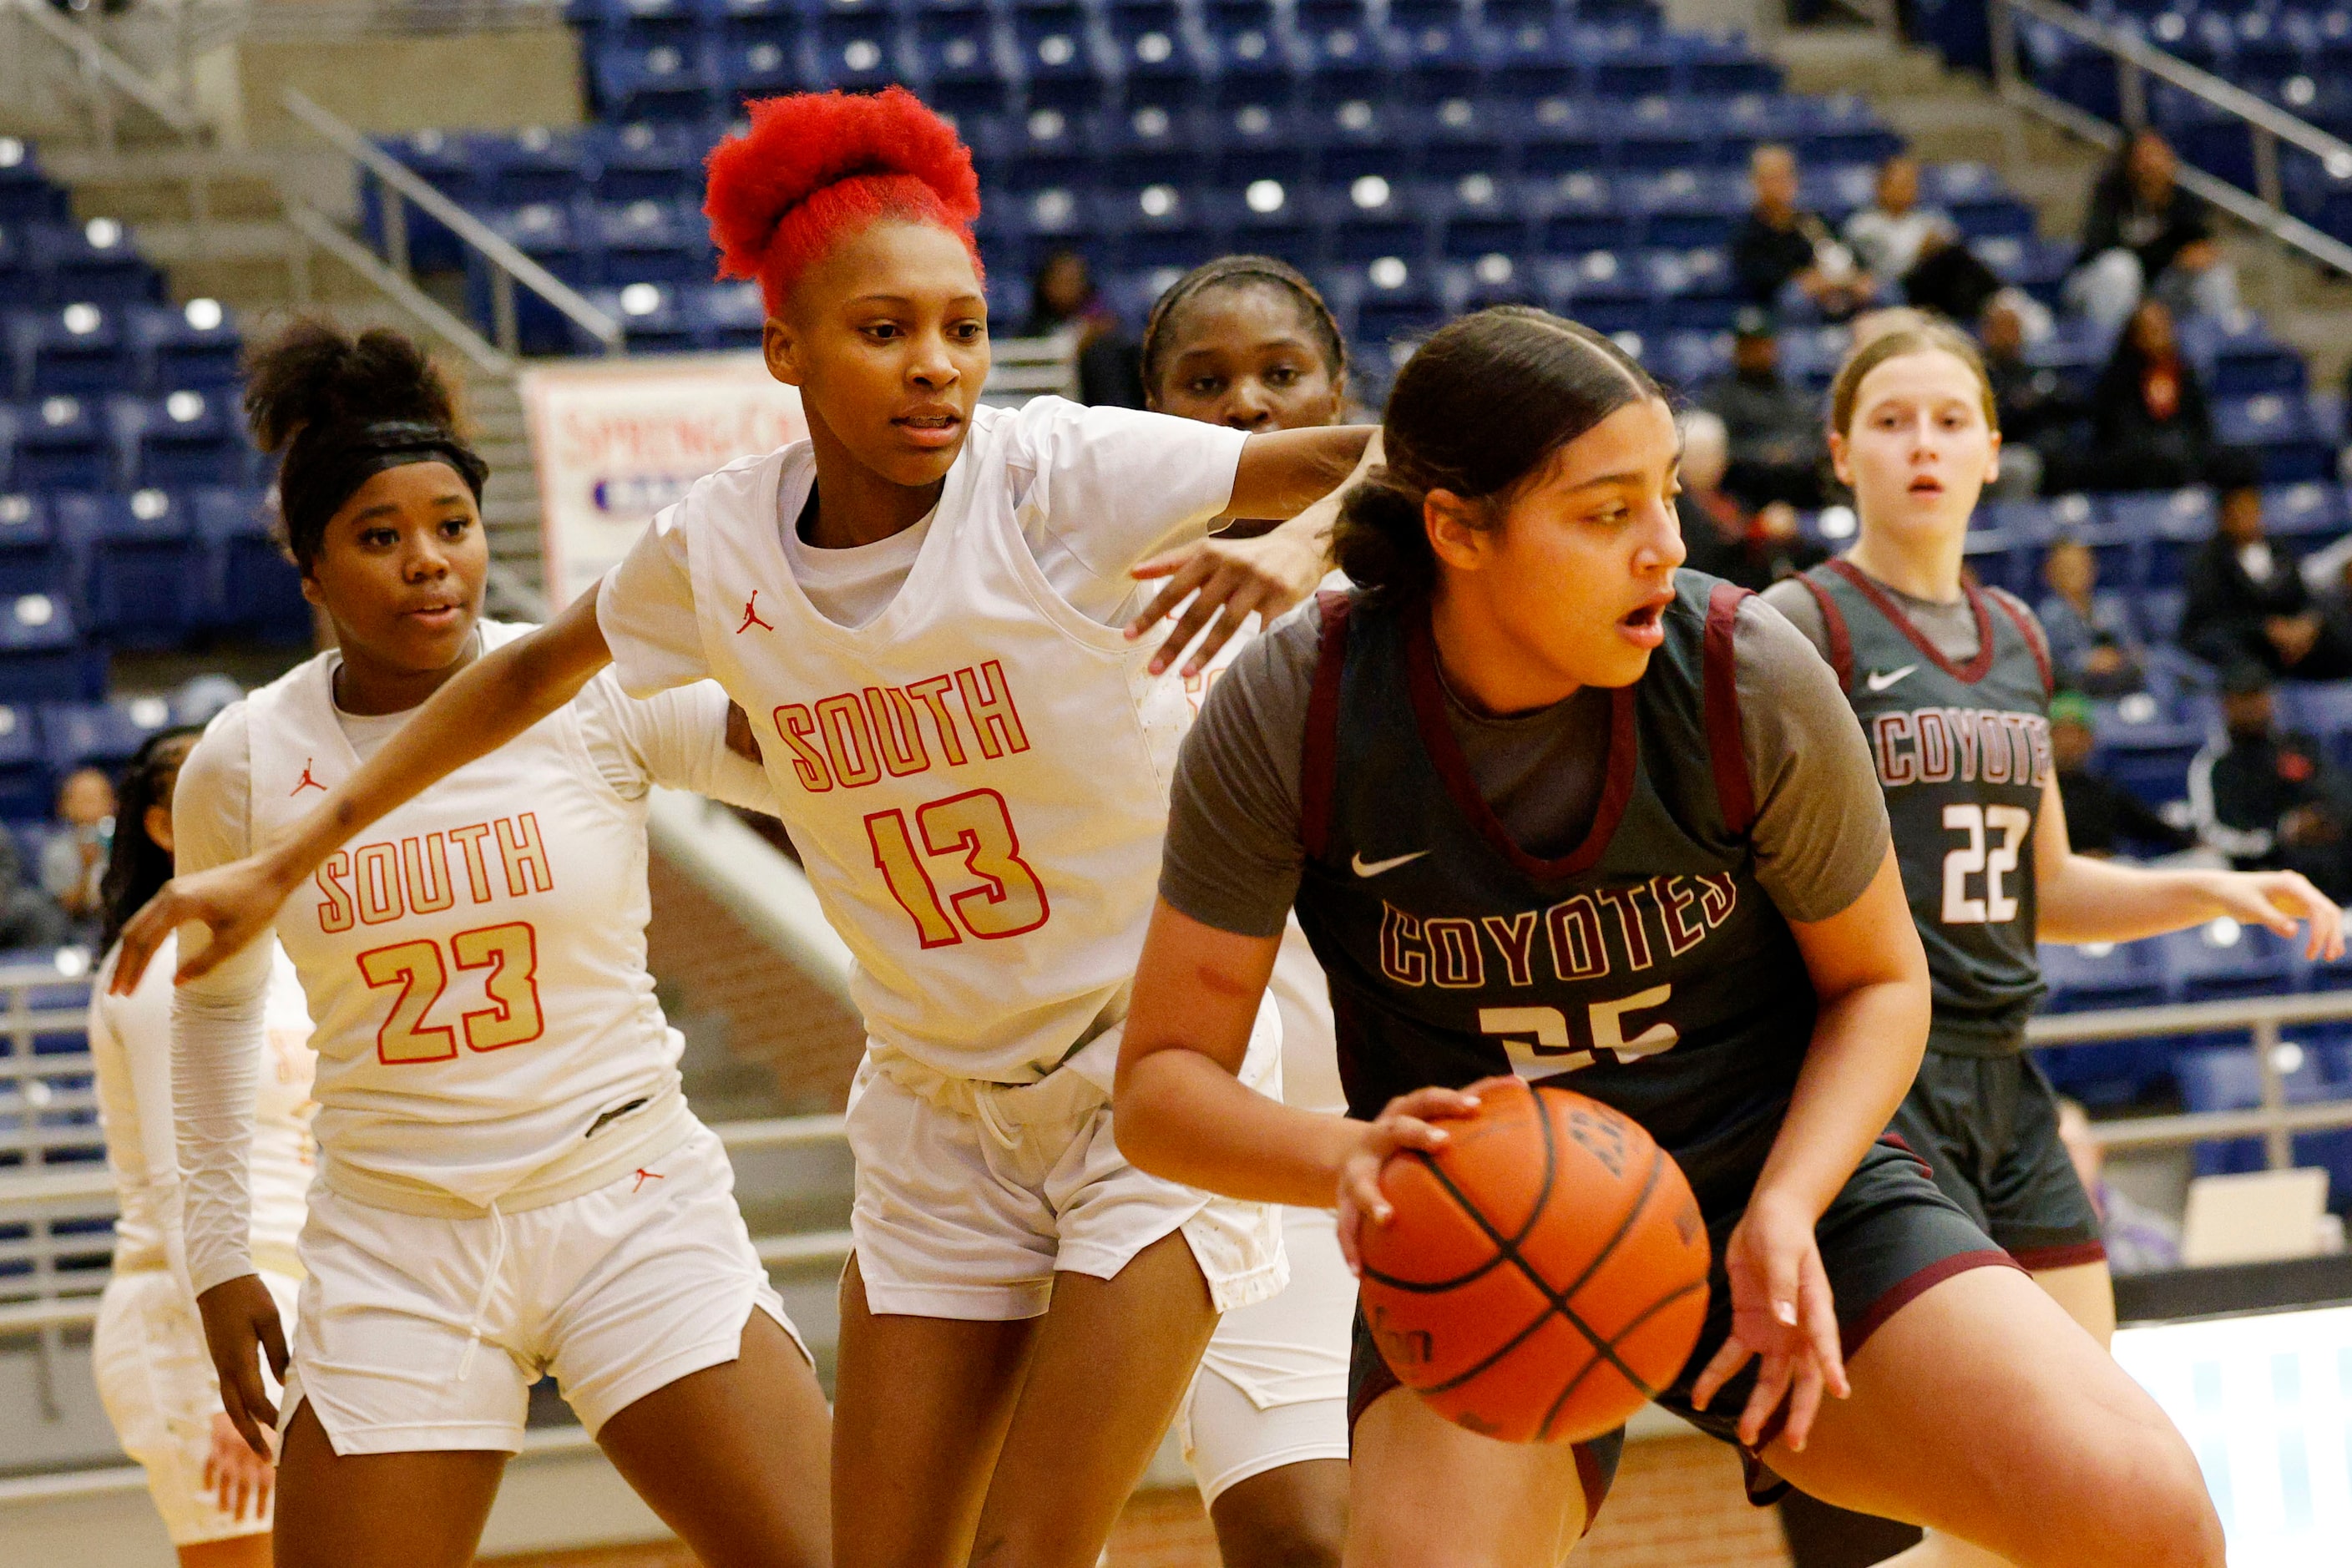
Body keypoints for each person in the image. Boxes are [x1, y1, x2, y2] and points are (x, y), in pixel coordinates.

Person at [119, 89, 1378, 1568]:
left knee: (1035, 1549)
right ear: (784, 349)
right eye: (885, 329)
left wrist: (1296, 541)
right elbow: (531, 672)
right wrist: (287, 855)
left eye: (964, 326)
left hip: (1127, 1075)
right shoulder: (713, 545)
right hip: (928, 1103)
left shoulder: (1052, 469)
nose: (938, 367)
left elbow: (1409, 442)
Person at [1116, 306, 2227, 1568]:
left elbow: (1878, 981)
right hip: (1491, 1228)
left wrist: (1792, 1206)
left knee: (2145, 1509)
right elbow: (1161, 1085)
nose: (1664, 546)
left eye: (1664, 496)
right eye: (1605, 513)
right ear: (1456, 530)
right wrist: (1354, 1156)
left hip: (1773, 1182)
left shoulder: (1743, 667)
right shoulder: (1294, 709)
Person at [151, 320, 835, 1568]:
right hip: (396, 1236)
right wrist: (216, 1250)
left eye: (451, 527)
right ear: (309, 570)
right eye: (378, 536)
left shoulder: (590, 683)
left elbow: (824, 769)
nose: (427, 564)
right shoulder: (242, 762)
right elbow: (213, 1005)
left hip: (627, 1199)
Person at [1763, 321, 2339, 1564]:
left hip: (2011, 1086)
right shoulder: (1793, 626)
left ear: (1991, 451)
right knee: (1981, 1496)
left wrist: (2216, 895)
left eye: (1949, 420)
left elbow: (2050, 884)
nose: (1923, 443)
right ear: (1838, 452)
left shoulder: (2021, 636)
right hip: (1876, 1086)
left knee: (2088, 1489)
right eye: (1892, 420)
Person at [1139, 252, 1355, 1568]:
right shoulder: (1086, 592)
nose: (1246, 408)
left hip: (1435, 1120)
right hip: (1232, 1159)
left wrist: (1306, 539)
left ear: (1341, 391)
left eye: (1283, 377)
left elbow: (1541, 429)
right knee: (1297, 1538)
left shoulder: (1430, 587)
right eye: (1204, 383)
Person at [89, 728, 316, 1567]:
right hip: (200, 1331)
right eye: (214, 787)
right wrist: (225, 1385)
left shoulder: (286, 949)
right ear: (160, 828)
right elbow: (187, 1178)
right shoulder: (154, 968)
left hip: (294, 1308)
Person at [2186, 664, 2352, 901]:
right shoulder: (2214, 764)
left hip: (2331, 854)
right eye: (2244, 699)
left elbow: (2338, 789)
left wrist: (2327, 817)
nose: (2254, 707)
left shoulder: (2298, 746)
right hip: (2266, 867)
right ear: (2227, 704)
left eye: (2259, 696)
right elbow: (2214, 832)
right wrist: (2282, 831)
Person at [2066, 128, 2240, 331]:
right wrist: (2170, 254)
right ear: (2130, 162)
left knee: (2214, 272)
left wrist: (2195, 254)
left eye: (2159, 156)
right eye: (2145, 157)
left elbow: (2198, 244)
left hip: (2157, 287)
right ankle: (2109, 348)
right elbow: (2102, 246)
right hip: (2096, 284)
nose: (2152, 165)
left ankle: (2222, 341)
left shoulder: (2182, 197)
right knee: (2120, 267)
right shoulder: (2111, 192)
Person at [2180, 481, 2352, 680]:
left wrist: (2306, 624)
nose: (2250, 517)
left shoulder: (2279, 548)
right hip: (2238, 637)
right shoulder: (2207, 560)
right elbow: (2213, 615)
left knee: (2336, 631)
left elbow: (2301, 595)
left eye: (2254, 509)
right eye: (2241, 510)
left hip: (2287, 638)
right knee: (2240, 662)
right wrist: (2265, 628)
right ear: (2224, 517)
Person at [1676, 408, 1824, 592]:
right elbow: (1711, 554)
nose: (1709, 462)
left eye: (1715, 453)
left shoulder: (1731, 496)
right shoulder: (1676, 506)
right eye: (1698, 455)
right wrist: (1761, 528)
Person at [2078, 298, 2217, 494]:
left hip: (2182, 456)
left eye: (2163, 328)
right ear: (2134, 335)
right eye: (2151, 330)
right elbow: (2115, 433)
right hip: (2134, 463)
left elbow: (2201, 426)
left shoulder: (2184, 373)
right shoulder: (2117, 376)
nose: (2160, 336)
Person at [1697, 308, 1828, 510]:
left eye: (1760, 344)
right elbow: (1713, 455)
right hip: (1739, 504)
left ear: (1774, 345)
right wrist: (1764, 454)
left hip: (1800, 501)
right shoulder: (1717, 399)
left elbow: (1813, 445)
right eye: (1747, 345)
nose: (1754, 351)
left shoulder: (1797, 396)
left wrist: (1786, 454)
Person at [1734, 144, 1875, 320]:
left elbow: (1845, 253)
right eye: (1770, 178)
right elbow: (1759, 280)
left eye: (1784, 176)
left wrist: (1852, 278)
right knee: (1795, 299)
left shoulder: (1812, 222)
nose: (1778, 185)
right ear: (1756, 182)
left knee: (1883, 291)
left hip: (1835, 286)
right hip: (1780, 308)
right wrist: (1806, 281)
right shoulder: (1747, 231)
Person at [2048, 694, 2193, 858]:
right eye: (2062, 733)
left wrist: (2193, 844)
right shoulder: (2037, 792)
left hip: (2104, 874)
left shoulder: (2102, 790)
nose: (2070, 742)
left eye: (2078, 733)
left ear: (2090, 739)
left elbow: (2149, 826)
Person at [2056, 1097, 2183, 1276]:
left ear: (2096, 1151)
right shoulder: (2020, 1242)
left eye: (2069, 1148)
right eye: (2054, 1155)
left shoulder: (2156, 1236)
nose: (2060, 1163)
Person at [1976, 296, 2071, 500]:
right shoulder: (1976, 374)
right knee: (2022, 466)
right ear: (1987, 332)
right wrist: (2015, 405)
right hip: (1988, 455)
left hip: (2034, 449)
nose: (2009, 335)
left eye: (2013, 328)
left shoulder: (2031, 373)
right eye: (2001, 328)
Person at [1024, 246, 1143, 409]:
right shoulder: (1028, 330)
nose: (1067, 288)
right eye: (1061, 281)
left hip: (1095, 407)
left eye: (1073, 280)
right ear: (1045, 284)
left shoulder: (1104, 325)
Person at [2036, 536, 2145, 696]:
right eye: (2067, 568)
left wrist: (2119, 657)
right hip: (2074, 693)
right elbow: (2053, 663)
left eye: (2082, 565)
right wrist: (2090, 661)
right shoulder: (2048, 614)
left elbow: (2134, 649)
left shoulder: (2111, 605)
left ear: (2093, 568)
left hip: (2122, 683)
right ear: (2050, 574)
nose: (2076, 573)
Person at [1844, 155, 1957, 283]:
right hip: (1892, 286)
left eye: (1912, 183)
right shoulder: (1863, 225)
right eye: (1902, 184)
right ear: (1881, 187)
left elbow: (1954, 244)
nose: (1908, 190)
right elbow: (1886, 271)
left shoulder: (1929, 219)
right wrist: (1921, 252)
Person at [44, 763, 116, 933]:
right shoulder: (58, 851)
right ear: (65, 806)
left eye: (97, 798)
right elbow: (70, 908)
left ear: (112, 803)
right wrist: (87, 866)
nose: (90, 806)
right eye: (83, 799)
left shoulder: (126, 844)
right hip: (75, 929)